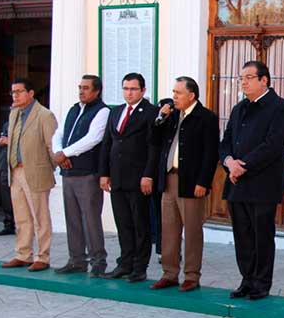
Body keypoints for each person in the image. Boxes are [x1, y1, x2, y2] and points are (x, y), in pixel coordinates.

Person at [220, 61, 284, 301]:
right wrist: (229, 162)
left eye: (249, 77)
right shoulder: (239, 108)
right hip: (236, 181)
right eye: (241, 77)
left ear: (264, 80)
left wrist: (244, 166)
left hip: (262, 183)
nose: (243, 81)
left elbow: (274, 145)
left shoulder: (280, 108)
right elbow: (226, 141)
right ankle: (246, 279)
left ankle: (261, 283)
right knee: (242, 236)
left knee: (262, 235)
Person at [151, 76, 219, 292]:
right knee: (168, 229)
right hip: (169, 179)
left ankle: (191, 275)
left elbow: (210, 152)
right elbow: (153, 139)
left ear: (191, 95)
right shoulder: (171, 116)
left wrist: (203, 181)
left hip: (191, 180)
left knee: (191, 230)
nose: (174, 97)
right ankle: (169, 273)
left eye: (178, 93)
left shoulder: (205, 117)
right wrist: (160, 117)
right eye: (173, 92)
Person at [99, 73, 159, 283]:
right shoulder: (115, 112)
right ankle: (124, 263)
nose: (129, 93)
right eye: (125, 88)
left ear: (143, 90)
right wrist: (104, 173)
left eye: (133, 89)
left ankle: (139, 267)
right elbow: (107, 143)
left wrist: (148, 175)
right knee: (123, 222)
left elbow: (153, 147)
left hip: (138, 177)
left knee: (140, 224)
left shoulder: (151, 112)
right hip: (117, 177)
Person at [52, 75, 110, 277]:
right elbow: (58, 134)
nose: (81, 91)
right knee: (73, 218)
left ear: (97, 91)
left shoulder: (102, 111)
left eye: (86, 88)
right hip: (68, 171)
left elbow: (93, 139)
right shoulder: (74, 109)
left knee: (90, 219)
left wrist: (65, 153)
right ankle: (76, 260)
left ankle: (98, 261)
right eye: (80, 87)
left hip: (87, 174)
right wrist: (60, 154)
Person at [0, 78, 58, 271]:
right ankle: (23, 254)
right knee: (21, 216)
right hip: (15, 170)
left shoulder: (44, 115)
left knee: (40, 217)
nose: (15, 95)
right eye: (13, 92)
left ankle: (43, 256)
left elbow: (51, 145)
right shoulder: (14, 113)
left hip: (35, 171)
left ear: (31, 93)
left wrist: (54, 167)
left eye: (19, 91)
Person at [0, 120, 15, 236]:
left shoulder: (27, 122)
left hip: (20, 165)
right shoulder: (7, 124)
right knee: (6, 196)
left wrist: (10, 141)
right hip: (4, 164)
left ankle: (27, 226)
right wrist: (1, 142)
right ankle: (9, 225)